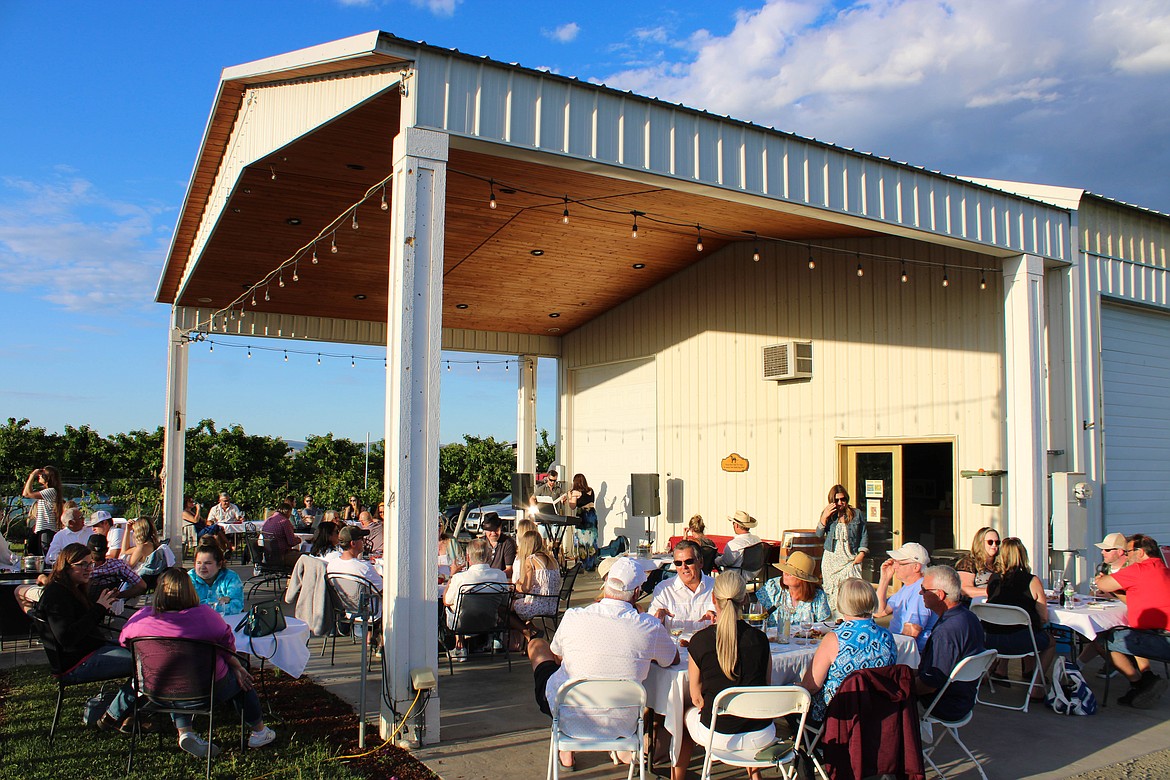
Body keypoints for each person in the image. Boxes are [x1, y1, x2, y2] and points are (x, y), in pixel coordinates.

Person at [527, 557, 677, 771]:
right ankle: (624, 748)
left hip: (568, 713)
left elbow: (557, 655)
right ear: (636, 594)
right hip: (622, 723)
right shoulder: (649, 626)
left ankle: (566, 749)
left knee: (537, 646)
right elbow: (671, 658)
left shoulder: (573, 616)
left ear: (606, 586)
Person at [120, 568, 276, 757]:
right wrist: (235, 666)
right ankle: (259, 731)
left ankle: (185, 731)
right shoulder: (206, 616)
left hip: (156, 690)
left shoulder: (140, 618)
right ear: (190, 590)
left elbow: (124, 641)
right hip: (207, 691)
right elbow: (228, 645)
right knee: (243, 678)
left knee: (176, 676)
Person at [674, 571, 773, 780]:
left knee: (680, 714)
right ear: (744, 599)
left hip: (718, 735)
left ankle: (678, 777)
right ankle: (755, 776)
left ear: (713, 599)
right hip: (761, 733)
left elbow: (697, 698)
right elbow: (766, 687)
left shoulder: (699, 641)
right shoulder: (761, 639)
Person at [35, 543, 139, 732]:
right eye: (82, 564)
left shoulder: (72, 588)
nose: (88, 569)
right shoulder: (57, 594)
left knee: (144, 654)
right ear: (66, 566)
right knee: (145, 666)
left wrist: (102, 605)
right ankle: (113, 716)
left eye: (90, 564)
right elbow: (67, 637)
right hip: (76, 663)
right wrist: (99, 608)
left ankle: (131, 714)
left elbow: (84, 623)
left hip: (90, 650)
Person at [802, 577, 897, 724]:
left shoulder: (835, 639)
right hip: (877, 711)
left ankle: (811, 746)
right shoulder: (887, 636)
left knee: (793, 700)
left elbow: (812, 686)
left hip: (839, 715)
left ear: (842, 603)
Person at [1095, 533, 1170, 707]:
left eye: (1128, 552)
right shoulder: (1164, 570)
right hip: (1159, 633)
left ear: (1141, 552)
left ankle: (1138, 683)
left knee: (1103, 637)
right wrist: (1119, 591)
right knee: (1132, 629)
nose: (1127, 556)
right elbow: (1133, 600)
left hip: (1158, 639)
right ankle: (1147, 678)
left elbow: (1103, 585)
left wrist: (1101, 581)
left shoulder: (1139, 569)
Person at [982, 537, 1053, 701]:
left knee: (1009, 627)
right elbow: (1043, 617)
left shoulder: (993, 580)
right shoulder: (1032, 581)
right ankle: (1036, 687)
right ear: (1023, 555)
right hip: (1019, 641)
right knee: (1049, 641)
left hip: (991, 640)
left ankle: (993, 671)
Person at [913, 565, 986, 721]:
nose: (920, 593)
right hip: (964, 699)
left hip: (943, 705)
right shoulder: (970, 617)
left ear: (939, 595)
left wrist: (896, 688)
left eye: (924, 589)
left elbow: (929, 685)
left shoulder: (945, 632)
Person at [444, 538, 510, 661]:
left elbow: (447, 601)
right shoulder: (500, 575)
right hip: (491, 622)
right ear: (489, 556)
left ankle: (460, 646)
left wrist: (452, 575)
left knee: (454, 607)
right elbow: (504, 602)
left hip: (463, 624)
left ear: (468, 557)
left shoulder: (460, 578)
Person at [875, 542, 937, 652]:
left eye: (899, 563)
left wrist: (887, 652)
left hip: (909, 654)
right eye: (894, 562)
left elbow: (911, 633)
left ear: (916, 567)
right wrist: (884, 579)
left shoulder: (920, 591)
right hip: (898, 646)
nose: (894, 566)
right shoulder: (907, 587)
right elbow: (880, 611)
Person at [816, 484, 868, 616]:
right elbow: (818, 534)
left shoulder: (856, 514)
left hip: (850, 557)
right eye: (837, 500)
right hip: (832, 558)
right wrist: (824, 517)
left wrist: (862, 553)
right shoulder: (829, 514)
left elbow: (864, 534)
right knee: (833, 592)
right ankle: (836, 620)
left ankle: (853, 617)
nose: (840, 503)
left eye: (843, 499)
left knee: (852, 591)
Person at [755, 550, 831, 629]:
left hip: (805, 639)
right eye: (786, 569)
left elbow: (824, 627)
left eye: (791, 572)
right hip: (772, 639)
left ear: (803, 579)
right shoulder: (772, 587)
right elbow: (757, 616)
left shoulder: (818, 596)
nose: (785, 573)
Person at [650, 539, 717, 627]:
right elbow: (651, 627)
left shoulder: (717, 587)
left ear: (700, 562)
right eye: (678, 563)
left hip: (707, 640)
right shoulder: (663, 589)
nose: (684, 567)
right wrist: (658, 619)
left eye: (689, 562)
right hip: (676, 640)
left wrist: (718, 617)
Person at [510, 530, 562, 637]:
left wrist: (515, 586)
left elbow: (526, 588)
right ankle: (531, 628)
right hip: (553, 605)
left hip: (538, 604)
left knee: (505, 607)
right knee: (515, 604)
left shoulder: (531, 560)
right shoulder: (552, 559)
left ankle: (527, 633)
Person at [86, 534, 147, 606]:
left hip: (86, 604)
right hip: (109, 605)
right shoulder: (118, 565)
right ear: (107, 550)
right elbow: (142, 586)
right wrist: (117, 596)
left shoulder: (83, 568)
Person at [188, 541, 244, 615]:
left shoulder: (230, 577)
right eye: (199, 563)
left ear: (219, 564)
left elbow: (237, 606)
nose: (202, 567)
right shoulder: (188, 579)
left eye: (208, 563)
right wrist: (219, 604)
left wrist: (201, 606)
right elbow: (187, 608)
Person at [326, 526, 383, 591]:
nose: (363, 541)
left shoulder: (331, 565)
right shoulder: (364, 568)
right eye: (361, 539)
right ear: (353, 543)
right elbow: (383, 590)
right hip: (364, 600)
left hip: (340, 600)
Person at [24, 465, 64, 556]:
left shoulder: (51, 491)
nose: (39, 476)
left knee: (45, 555)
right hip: (42, 528)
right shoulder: (48, 491)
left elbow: (26, 493)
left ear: (48, 478)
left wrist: (32, 475)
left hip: (47, 529)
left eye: (42, 475)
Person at [955, 527, 1001, 599]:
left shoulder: (1000, 563)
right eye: (990, 542)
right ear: (980, 543)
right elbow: (964, 590)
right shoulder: (969, 562)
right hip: (974, 605)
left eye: (997, 542)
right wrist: (991, 592)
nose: (994, 545)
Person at [566, 473, 598, 564]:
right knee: (592, 538)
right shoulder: (590, 490)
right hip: (592, 514)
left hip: (582, 514)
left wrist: (569, 497)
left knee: (581, 539)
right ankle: (592, 562)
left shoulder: (575, 492)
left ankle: (582, 563)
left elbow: (572, 506)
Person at [261, 502, 301, 567]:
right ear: (288, 512)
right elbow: (292, 542)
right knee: (306, 557)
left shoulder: (267, 520)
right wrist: (299, 539)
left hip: (269, 556)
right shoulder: (284, 521)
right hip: (282, 556)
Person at [481, 514, 516, 579]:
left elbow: (509, 570)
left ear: (500, 528)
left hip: (500, 583)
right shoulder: (480, 543)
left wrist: (492, 578)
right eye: (490, 530)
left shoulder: (508, 543)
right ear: (485, 531)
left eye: (496, 530)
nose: (493, 533)